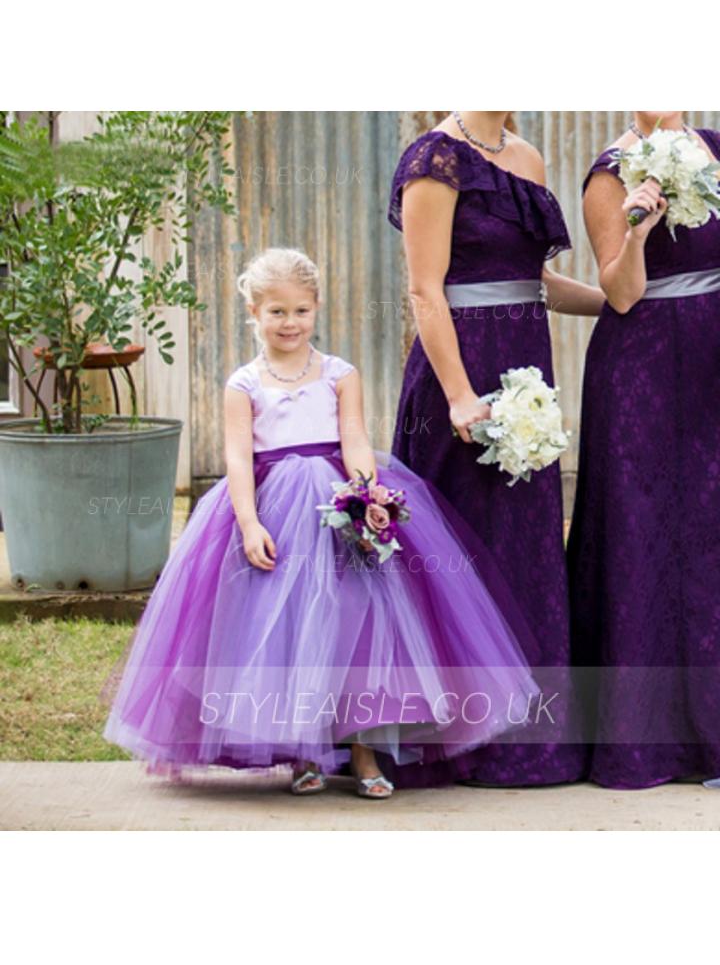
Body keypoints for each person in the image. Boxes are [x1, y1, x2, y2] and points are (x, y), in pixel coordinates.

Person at [103, 246, 545, 799]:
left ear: (317, 308)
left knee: (354, 626)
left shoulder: (339, 374)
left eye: (301, 311)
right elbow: (239, 458)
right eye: (276, 312)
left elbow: (355, 439)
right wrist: (247, 523)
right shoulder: (244, 384)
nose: (290, 323)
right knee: (282, 634)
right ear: (254, 313)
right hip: (275, 517)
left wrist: (368, 495)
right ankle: (299, 754)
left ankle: (362, 751)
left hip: (338, 512)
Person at [388, 111, 605, 788]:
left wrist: (625, 305)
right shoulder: (434, 160)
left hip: (523, 378)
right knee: (457, 554)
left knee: (524, 550)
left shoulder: (529, 159)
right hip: (460, 375)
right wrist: (457, 395)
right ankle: (450, 742)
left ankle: (527, 744)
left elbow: (534, 284)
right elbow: (426, 290)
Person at [567, 111, 720, 789]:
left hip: (714, 353)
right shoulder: (608, 172)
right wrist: (638, 228)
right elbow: (620, 292)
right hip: (643, 366)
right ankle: (646, 741)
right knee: (643, 534)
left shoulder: (715, 150)